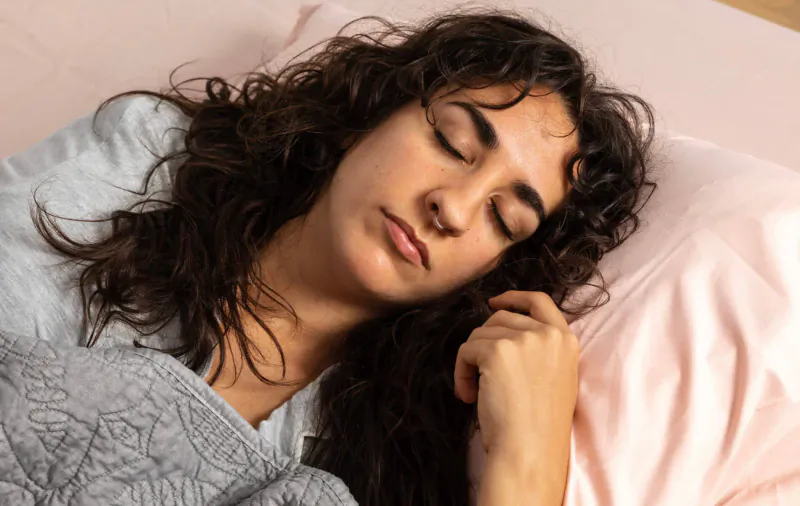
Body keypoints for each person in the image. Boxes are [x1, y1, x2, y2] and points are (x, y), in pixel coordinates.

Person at [0, 8, 656, 506]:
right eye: (454, 145)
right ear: (374, 109)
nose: (452, 208)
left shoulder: (399, 453)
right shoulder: (153, 159)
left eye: (502, 217)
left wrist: (528, 467)